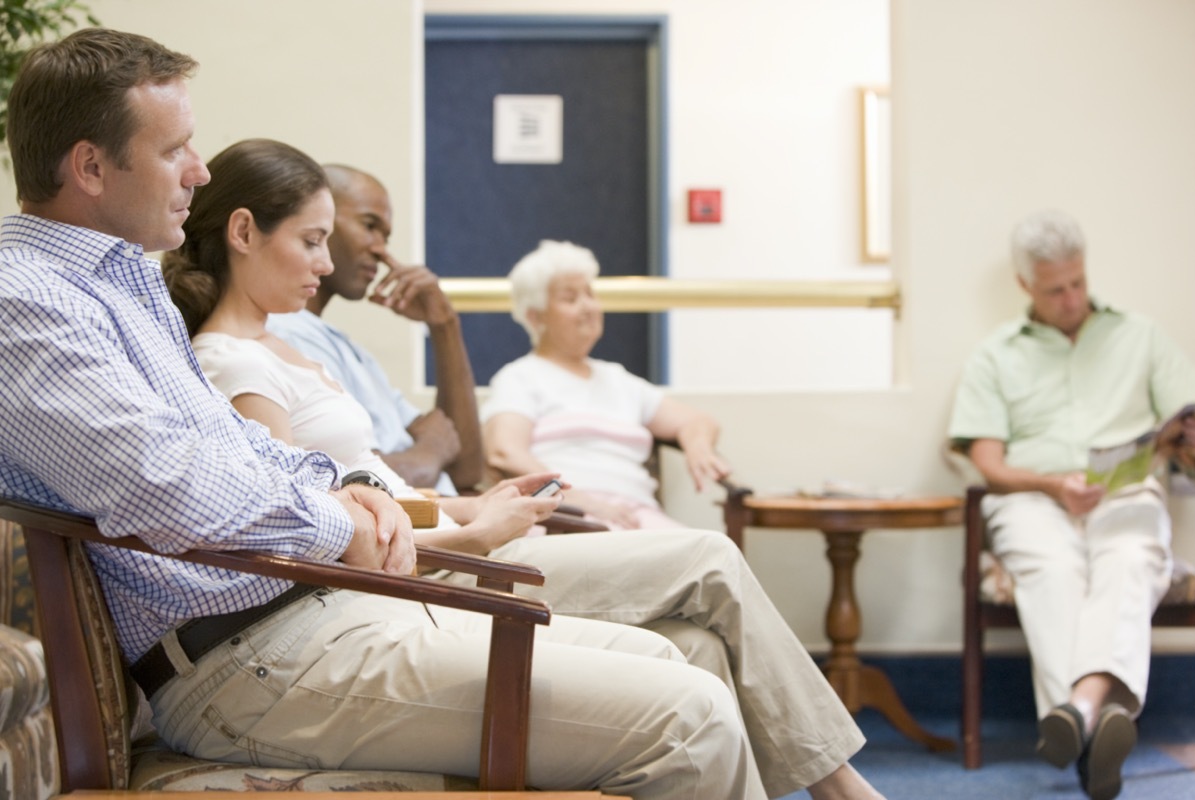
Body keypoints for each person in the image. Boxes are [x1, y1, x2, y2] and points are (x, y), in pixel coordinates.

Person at [0, 28, 889, 800]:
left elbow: (233, 449)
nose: (197, 168)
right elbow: (170, 485)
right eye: (174, 150)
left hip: (298, 609)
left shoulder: (116, 283)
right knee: (690, 714)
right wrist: (343, 517)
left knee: (683, 662)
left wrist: (348, 489)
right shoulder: (28, 299)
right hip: (241, 659)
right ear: (89, 166)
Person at [163, 139, 884, 800]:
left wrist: (469, 509)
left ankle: (829, 781)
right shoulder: (234, 361)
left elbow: (359, 493)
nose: (325, 264)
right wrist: (474, 534)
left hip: (411, 558)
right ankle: (838, 785)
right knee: (706, 564)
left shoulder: (292, 350)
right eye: (312, 241)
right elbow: (305, 541)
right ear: (245, 233)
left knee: (693, 643)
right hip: (372, 593)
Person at [947, 209, 1195, 800]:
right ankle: (1098, 731)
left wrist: (1187, 441)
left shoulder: (1140, 336)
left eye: (1078, 282)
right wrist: (1051, 485)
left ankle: (1079, 713)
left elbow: (1186, 424)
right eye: (1055, 289)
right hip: (1034, 499)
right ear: (1024, 286)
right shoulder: (994, 356)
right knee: (1054, 571)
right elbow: (988, 461)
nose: (1071, 298)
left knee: (1132, 557)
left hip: (1124, 492)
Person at [483, 239, 731, 529]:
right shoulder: (521, 377)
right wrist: (581, 500)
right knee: (707, 556)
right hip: (565, 519)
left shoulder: (618, 379)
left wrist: (697, 443)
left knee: (716, 552)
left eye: (589, 293)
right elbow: (504, 451)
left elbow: (697, 420)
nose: (588, 306)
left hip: (635, 515)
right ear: (535, 317)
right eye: (570, 298)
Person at [266, 163, 481, 496]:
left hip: (452, 523)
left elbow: (466, 469)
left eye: (386, 236)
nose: (382, 249)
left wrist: (444, 325)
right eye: (370, 225)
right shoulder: (284, 333)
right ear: (320, 221)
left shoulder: (347, 348)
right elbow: (348, 478)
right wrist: (430, 452)